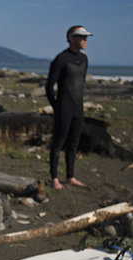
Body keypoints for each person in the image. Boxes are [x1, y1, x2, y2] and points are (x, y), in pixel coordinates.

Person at [45, 25, 93, 190]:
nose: (85, 40)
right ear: (71, 38)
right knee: (58, 143)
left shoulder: (84, 59)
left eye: (86, 37)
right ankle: (54, 179)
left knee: (73, 144)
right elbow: (49, 87)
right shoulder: (61, 59)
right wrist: (56, 107)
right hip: (63, 107)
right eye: (81, 37)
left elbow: (81, 84)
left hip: (78, 108)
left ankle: (70, 176)